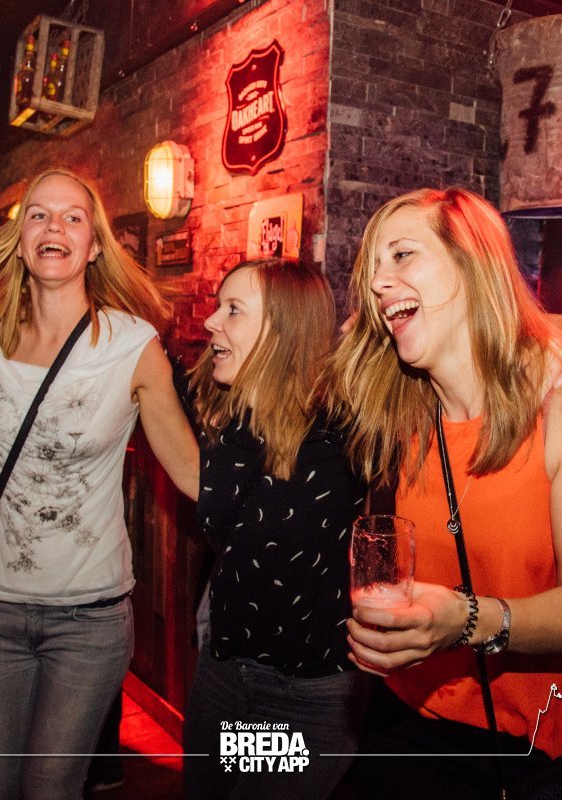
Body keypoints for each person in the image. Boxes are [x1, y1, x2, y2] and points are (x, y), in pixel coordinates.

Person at [328, 188, 562, 798]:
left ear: (472, 263)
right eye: (372, 270)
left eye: (402, 255)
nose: (378, 283)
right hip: (404, 720)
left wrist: (469, 621)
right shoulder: (399, 410)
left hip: (529, 750)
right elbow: (342, 334)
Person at [0, 168, 199, 800]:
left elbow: (191, 471)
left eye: (72, 216)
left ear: (93, 246)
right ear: (20, 241)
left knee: (49, 789)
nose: (53, 226)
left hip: (86, 618)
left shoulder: (132, 346)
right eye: (38, 214)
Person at [181, 259, 373, 800]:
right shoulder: (228, 414)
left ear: (283, 331)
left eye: (233, 310)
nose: (211, 322)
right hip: (224, 675)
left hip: (302, 696)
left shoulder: (342, 433)